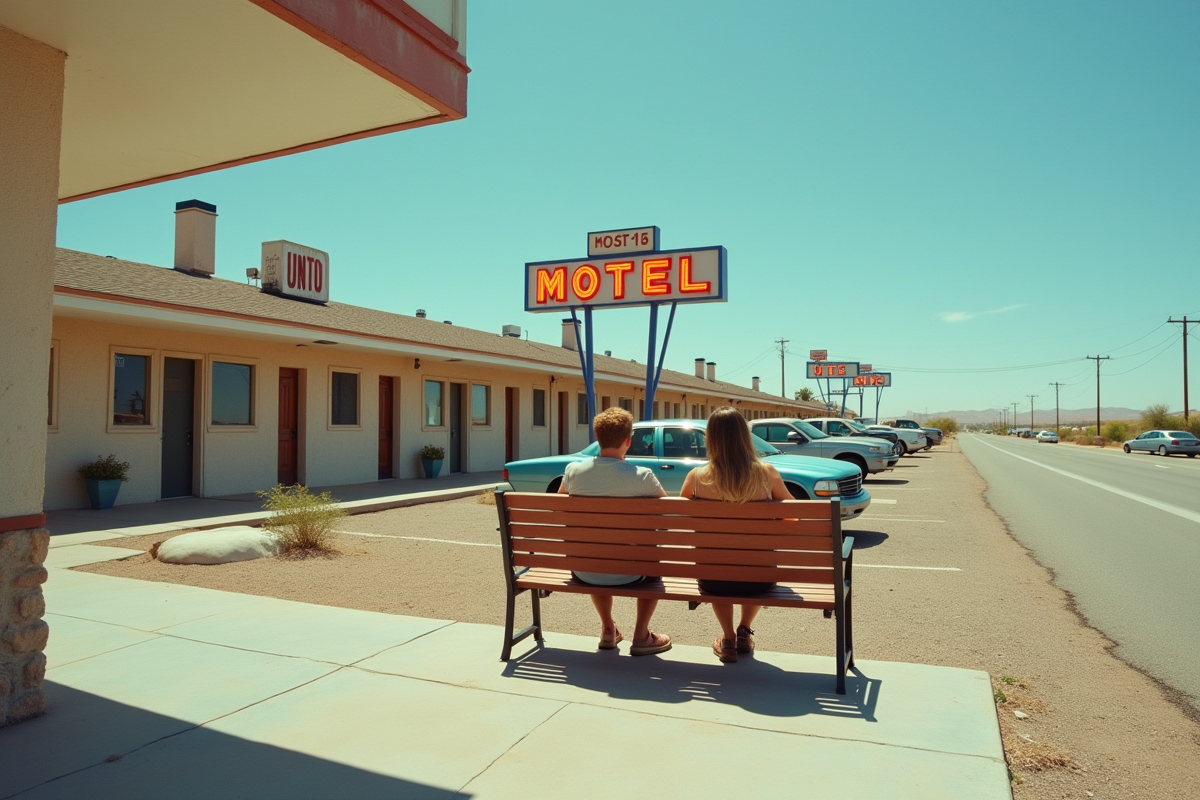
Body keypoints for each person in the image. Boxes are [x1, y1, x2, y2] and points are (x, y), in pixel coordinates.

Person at [680, 406, 792, 663]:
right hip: (759, 579)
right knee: (756, 562)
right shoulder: (766, 474)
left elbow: (683, 517)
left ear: (711, 439)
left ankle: (728, 638)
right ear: (744, 436)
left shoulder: (696, 477)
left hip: (714, 579)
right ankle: (744, 630)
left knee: (718, 564)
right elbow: (793, 516)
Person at [558, 407, 672, 656]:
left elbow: (561, 510)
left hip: (585, 570)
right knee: (652, 557)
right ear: (628, 441)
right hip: (632, 574)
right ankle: (641, 635)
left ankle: (608, 629)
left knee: (595, 552)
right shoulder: (642, 476)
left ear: (597, 437)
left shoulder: (573, 472)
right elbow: (665, 519)